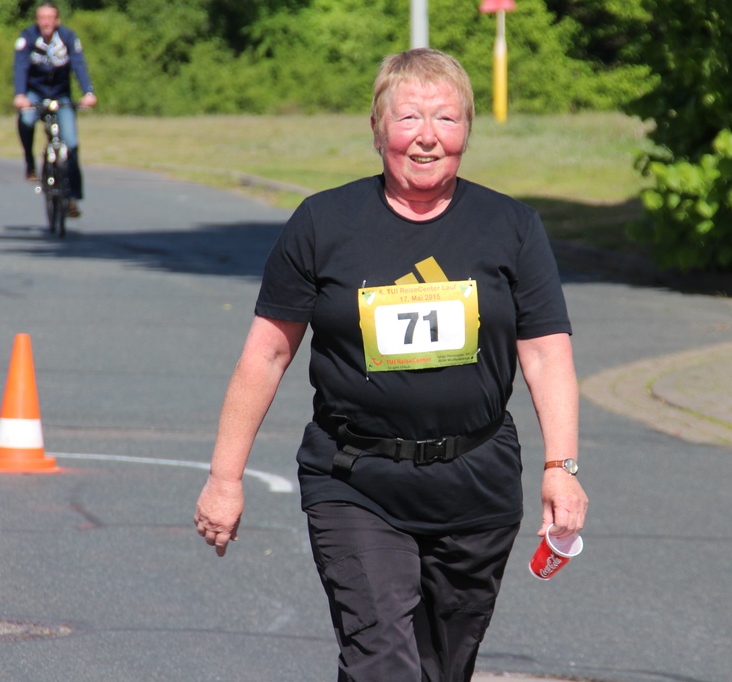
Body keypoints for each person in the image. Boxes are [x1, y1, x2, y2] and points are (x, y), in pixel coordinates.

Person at [194, 48, 588, 682]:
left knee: (441, 668)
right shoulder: (324, 223)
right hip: (356, 479)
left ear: (467, 132)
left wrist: (560, 468)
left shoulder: (510, 226)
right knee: (382, 659)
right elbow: (267, 353)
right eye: (408, 118)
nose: (427, 136)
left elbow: (546, 353)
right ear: (378, 129)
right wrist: (224, 477)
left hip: (476, 486)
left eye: (446, 119)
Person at [13, 1, 97, 218]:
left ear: (57, 20)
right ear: (37, 20)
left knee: (72, 144)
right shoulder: (28, 37)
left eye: (50, 18)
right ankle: (30, 163)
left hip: (61, 94)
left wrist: (88, 92)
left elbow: (79, 64)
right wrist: (20, 94)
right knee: (26, 120)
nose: (46, 22)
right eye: (42, 18)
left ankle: (73, 198)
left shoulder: (68, 37)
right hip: (35, 92)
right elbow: (20, 65)